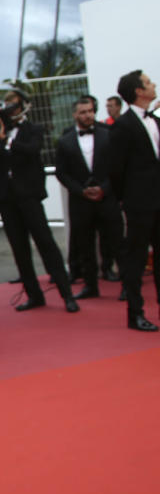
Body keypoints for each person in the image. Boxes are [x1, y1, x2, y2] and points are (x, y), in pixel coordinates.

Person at [0, 90, 78, 313]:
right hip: (6, 197)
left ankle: (67, 294)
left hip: (29, 196)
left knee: (46, 243)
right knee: (19, 248)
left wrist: (7, 141)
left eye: (13, 106)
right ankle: (34, 295)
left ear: (24, 106)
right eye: (6, 106)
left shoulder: (33, 129)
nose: (9, 111)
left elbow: (32, 151)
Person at [55, 97, 122, 301]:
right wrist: (81, 191)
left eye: (91, 111)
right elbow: (62, 173)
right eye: (83, 112)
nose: (88, 115)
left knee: (117, 243)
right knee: (85, 246)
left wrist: (104, 188)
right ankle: (90, 286)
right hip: (81, 202)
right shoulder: (64, 142)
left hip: (107, 199)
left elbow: (118, 167)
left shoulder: (108, 135)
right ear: (75, 114)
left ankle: (128, 286)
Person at [109, 70, 160, 331]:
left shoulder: (155, 119)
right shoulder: (123, 126)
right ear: (139, 91)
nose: (154, 85)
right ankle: (135, 313)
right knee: (137, 259)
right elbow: (115, 169)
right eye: (149, 82)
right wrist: (126, 199)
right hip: (139, 203)